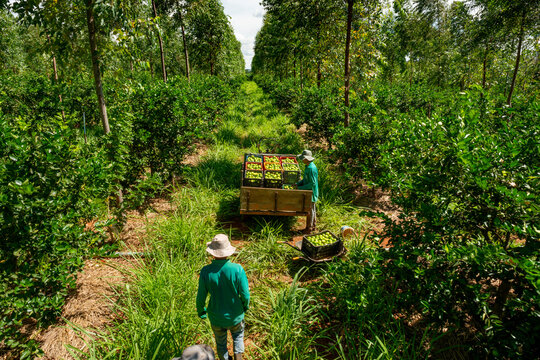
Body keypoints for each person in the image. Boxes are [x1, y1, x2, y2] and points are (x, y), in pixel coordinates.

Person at [196, 234, 250, 360]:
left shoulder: (206, 271)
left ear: (212, 253)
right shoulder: (237, 269)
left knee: (220, 343)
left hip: (216, 317)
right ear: (228, 251)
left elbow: (201, 296)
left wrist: (201, 310)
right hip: (235, 315)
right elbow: (245, 294)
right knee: (238, 336)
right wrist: (244, 306)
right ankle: (238, 357)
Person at [296, 149, 319, 233]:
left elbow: (312, 183)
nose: (302, 160)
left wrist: (301, 188)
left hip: (311, 192)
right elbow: (306, 180)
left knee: (310, 209)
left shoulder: (311, 168)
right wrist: (298, 184)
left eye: (303, 158)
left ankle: (309, 228)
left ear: (307, 159)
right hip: (308, 190)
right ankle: (313, 226)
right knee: (312, 208)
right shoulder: (307, 166)